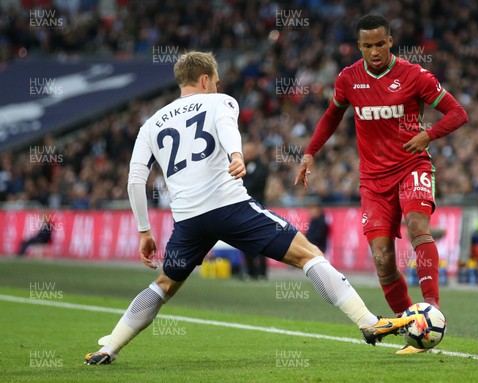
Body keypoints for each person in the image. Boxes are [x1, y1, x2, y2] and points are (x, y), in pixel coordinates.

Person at [84, 51, 416, 365]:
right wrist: (237, 155)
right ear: (204, 79)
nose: (217, 86)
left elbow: (134, 180)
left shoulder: (151, 124)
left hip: (188, 221)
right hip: (230, 207)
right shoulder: (220, 101)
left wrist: (144, 229)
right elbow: (228, 129)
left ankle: (110, 347)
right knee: (307, 254)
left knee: (164, 284)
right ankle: (368, 321)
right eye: (214, 80)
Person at [295, 14, 468, 355]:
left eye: (379, 44)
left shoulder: (414, 75)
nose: (374, 51)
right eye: (367, 46)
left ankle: (432, 310)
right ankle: (413, 327)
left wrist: (428, 134)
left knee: (418, 225)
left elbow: (457, 113)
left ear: (390, 41)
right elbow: (332, 115)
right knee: (383, 258)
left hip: (411, 166)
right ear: (359, 46)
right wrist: (310, 152)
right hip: (373, 181)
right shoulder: (348, 79)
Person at [241, 141, 269, 279]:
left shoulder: (262, 167)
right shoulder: (244, 166)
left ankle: (262, 272)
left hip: (258, 208)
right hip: (245, 209)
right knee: (245, 240)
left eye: (247, 151)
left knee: (261, 241)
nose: (245, 154)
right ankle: (250, 270)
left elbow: (251, 186)